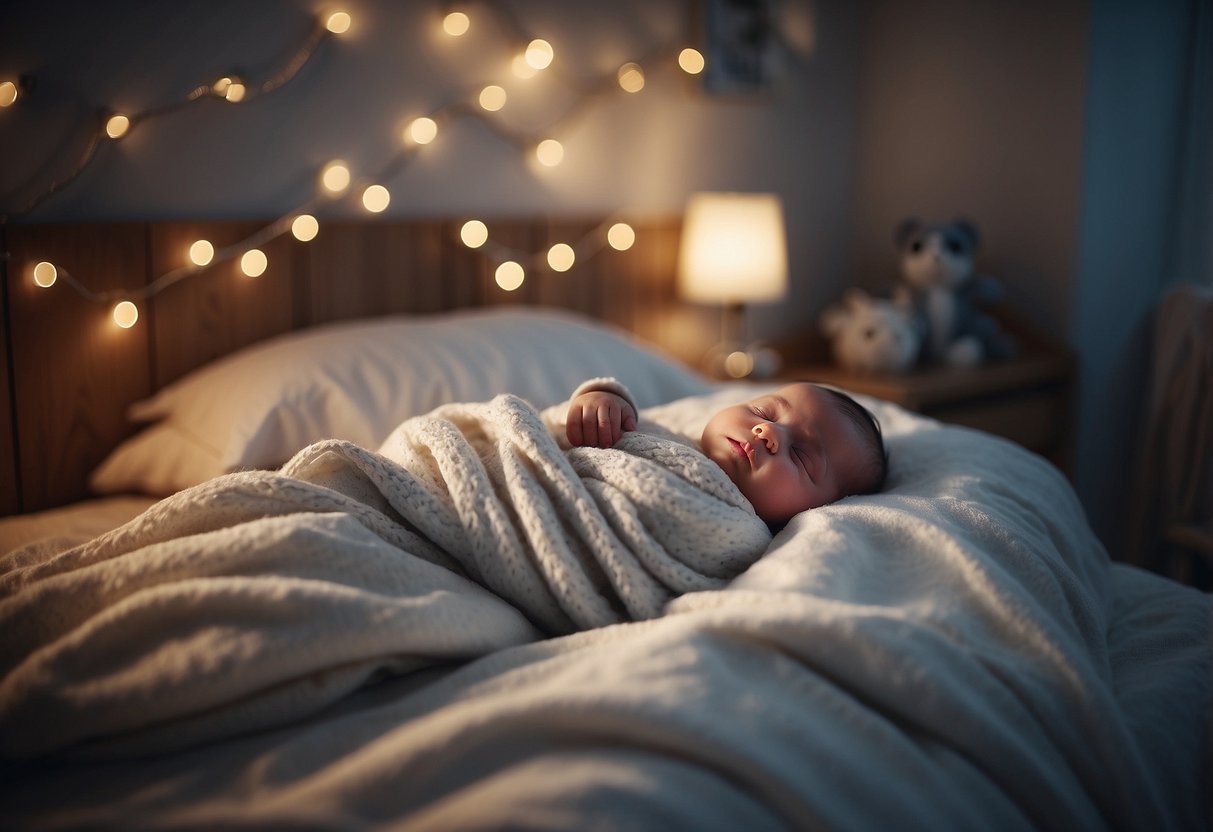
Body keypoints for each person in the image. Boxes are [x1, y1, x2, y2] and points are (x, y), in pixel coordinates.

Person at [564, 379, 887, 525]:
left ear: (822, 506)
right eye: (764, 412)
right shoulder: (678, 433)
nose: (768, 432)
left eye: (801, 456)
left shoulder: (741, 534)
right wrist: (602, 399)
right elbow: (633, 422)